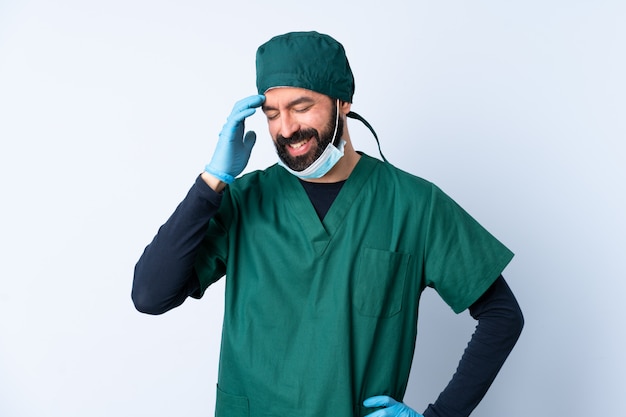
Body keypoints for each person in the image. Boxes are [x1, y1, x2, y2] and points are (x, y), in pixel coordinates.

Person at [132, 31, 524, 417]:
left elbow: (502, 315)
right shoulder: (243, 200)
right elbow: (150, 295)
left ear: (343, 103)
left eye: (301, 107)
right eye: (272, 113)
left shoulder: (413, 205)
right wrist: (212, 180)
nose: (285, 129)